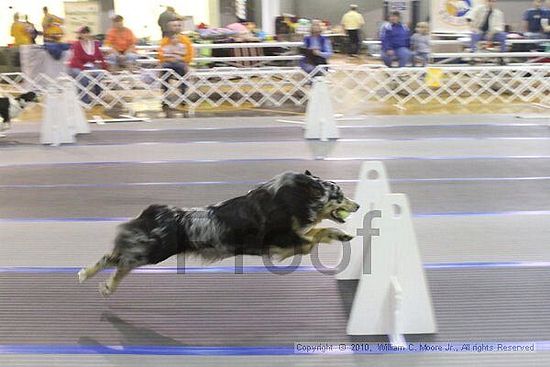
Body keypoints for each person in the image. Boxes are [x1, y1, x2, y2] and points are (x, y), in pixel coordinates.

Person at [158, 19, 194, 108]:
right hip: (168, 63)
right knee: (164, 71)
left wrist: (184, 61)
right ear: (169, 28)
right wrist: (170, 59)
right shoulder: (164, 41)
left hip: (181, 63)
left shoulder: (186, 40)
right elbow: (160, 55)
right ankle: (165, 96)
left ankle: (183, 96)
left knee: (183, 70)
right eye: (174, 26)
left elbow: (190, 54)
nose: (177, 27)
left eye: (179, 25)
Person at [68, 26, 108, 104]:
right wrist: (83, 68)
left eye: (87, 32)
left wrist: (104, 65)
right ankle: (84, 100)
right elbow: (76, 59)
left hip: (89, 66)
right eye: (83, 33)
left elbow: (100, 56)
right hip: (76, 66)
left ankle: (98, 97)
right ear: (80, 34)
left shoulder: (94, 44)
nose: (85, 34)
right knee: (83, 77)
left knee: (99, 74)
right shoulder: (76, 44)